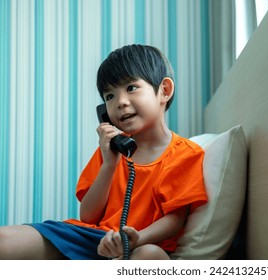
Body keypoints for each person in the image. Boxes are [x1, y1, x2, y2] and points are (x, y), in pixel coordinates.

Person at [0, 44, 208, 260]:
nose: (120, 102)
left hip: (142, 243)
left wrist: (135, 239)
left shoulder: (185, 153)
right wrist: (109, 164)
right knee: (5, 241)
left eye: (131, 88)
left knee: (151, 256)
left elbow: (175, 219)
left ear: (164, 90)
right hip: (92, 238)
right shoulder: (110, 149)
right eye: (109, 96)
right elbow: (88, 215)